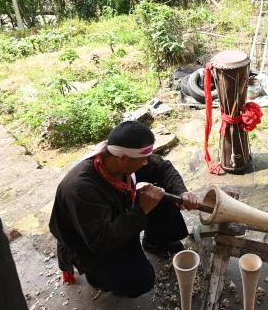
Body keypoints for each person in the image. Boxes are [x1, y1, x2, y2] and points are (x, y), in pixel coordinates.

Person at [49, 121, 200, 298]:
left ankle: (156, 241)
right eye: (142, 159)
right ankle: (97, 276)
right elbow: (101, 241)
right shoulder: (81, 188)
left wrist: (182, 192)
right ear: (123, 159)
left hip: (115, 219)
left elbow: (162, 167)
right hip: (88, 242)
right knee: (140, 280)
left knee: (161, 194)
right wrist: (141, 209)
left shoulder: (121, 158)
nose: (146, 163)